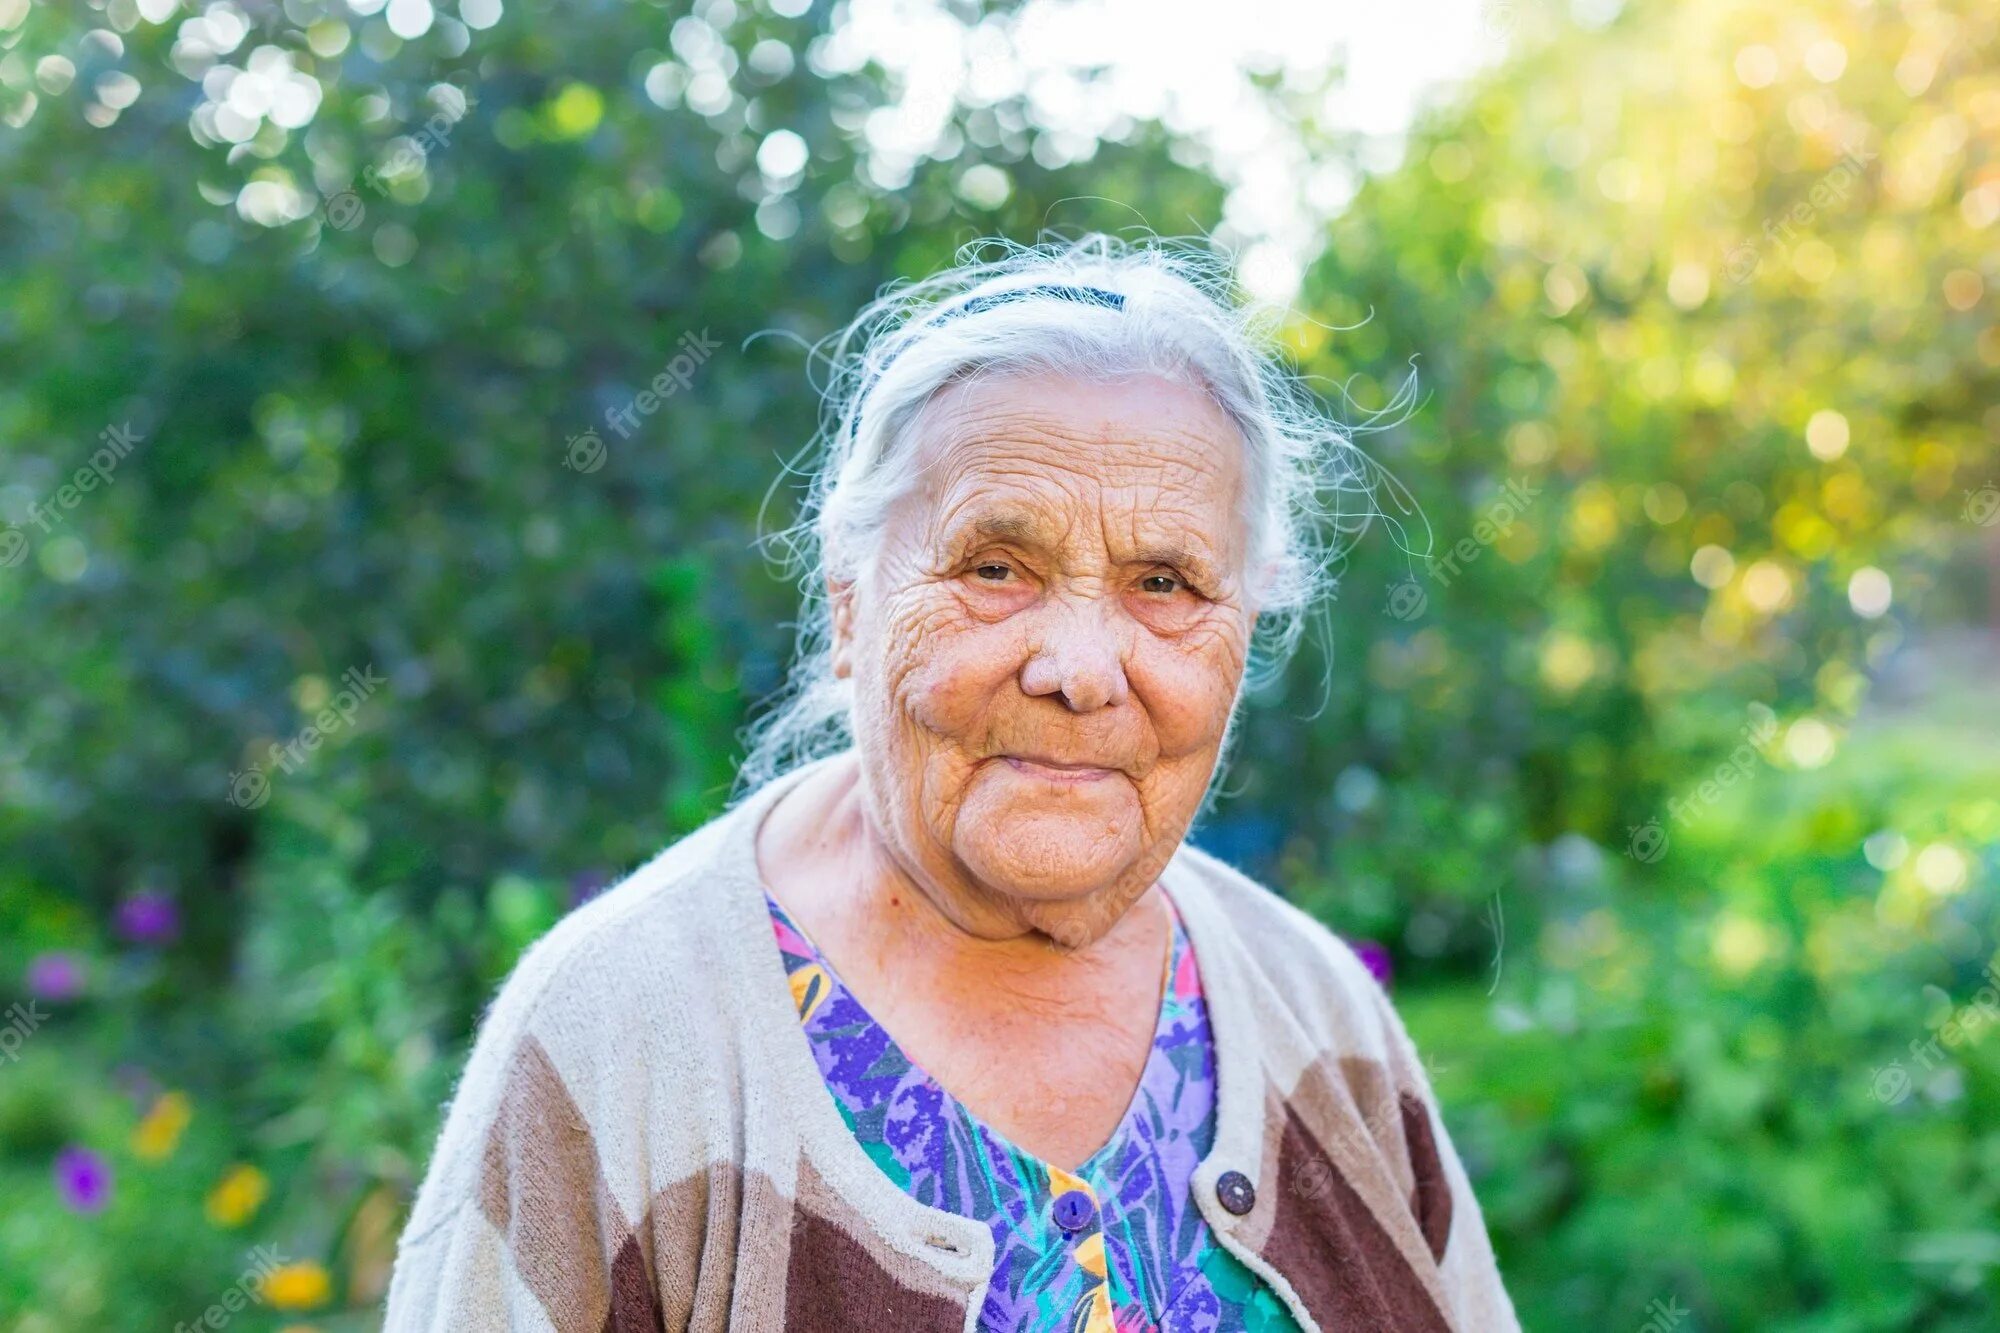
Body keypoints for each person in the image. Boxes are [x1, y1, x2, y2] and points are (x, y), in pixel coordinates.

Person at [382, 235, 1520, 1332]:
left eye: (1164, 583)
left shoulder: (1315, 1014)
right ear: (846, 605)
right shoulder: (616, 1036)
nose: (1079, 671)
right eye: (994, 568)